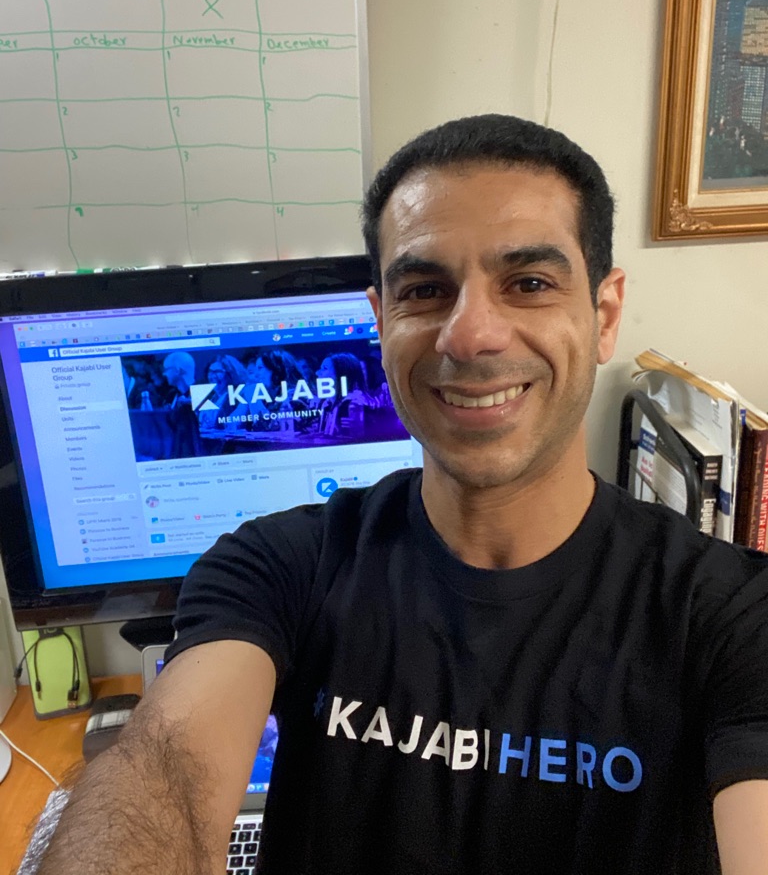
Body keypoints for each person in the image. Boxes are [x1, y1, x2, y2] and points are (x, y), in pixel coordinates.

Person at [31, 115, 768, 875]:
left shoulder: (730, 617)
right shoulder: (281, 565)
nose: (471, 335)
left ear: (604, 315)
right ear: (381, 322)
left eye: (529, 284)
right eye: (424, 290)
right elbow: (165, 771)